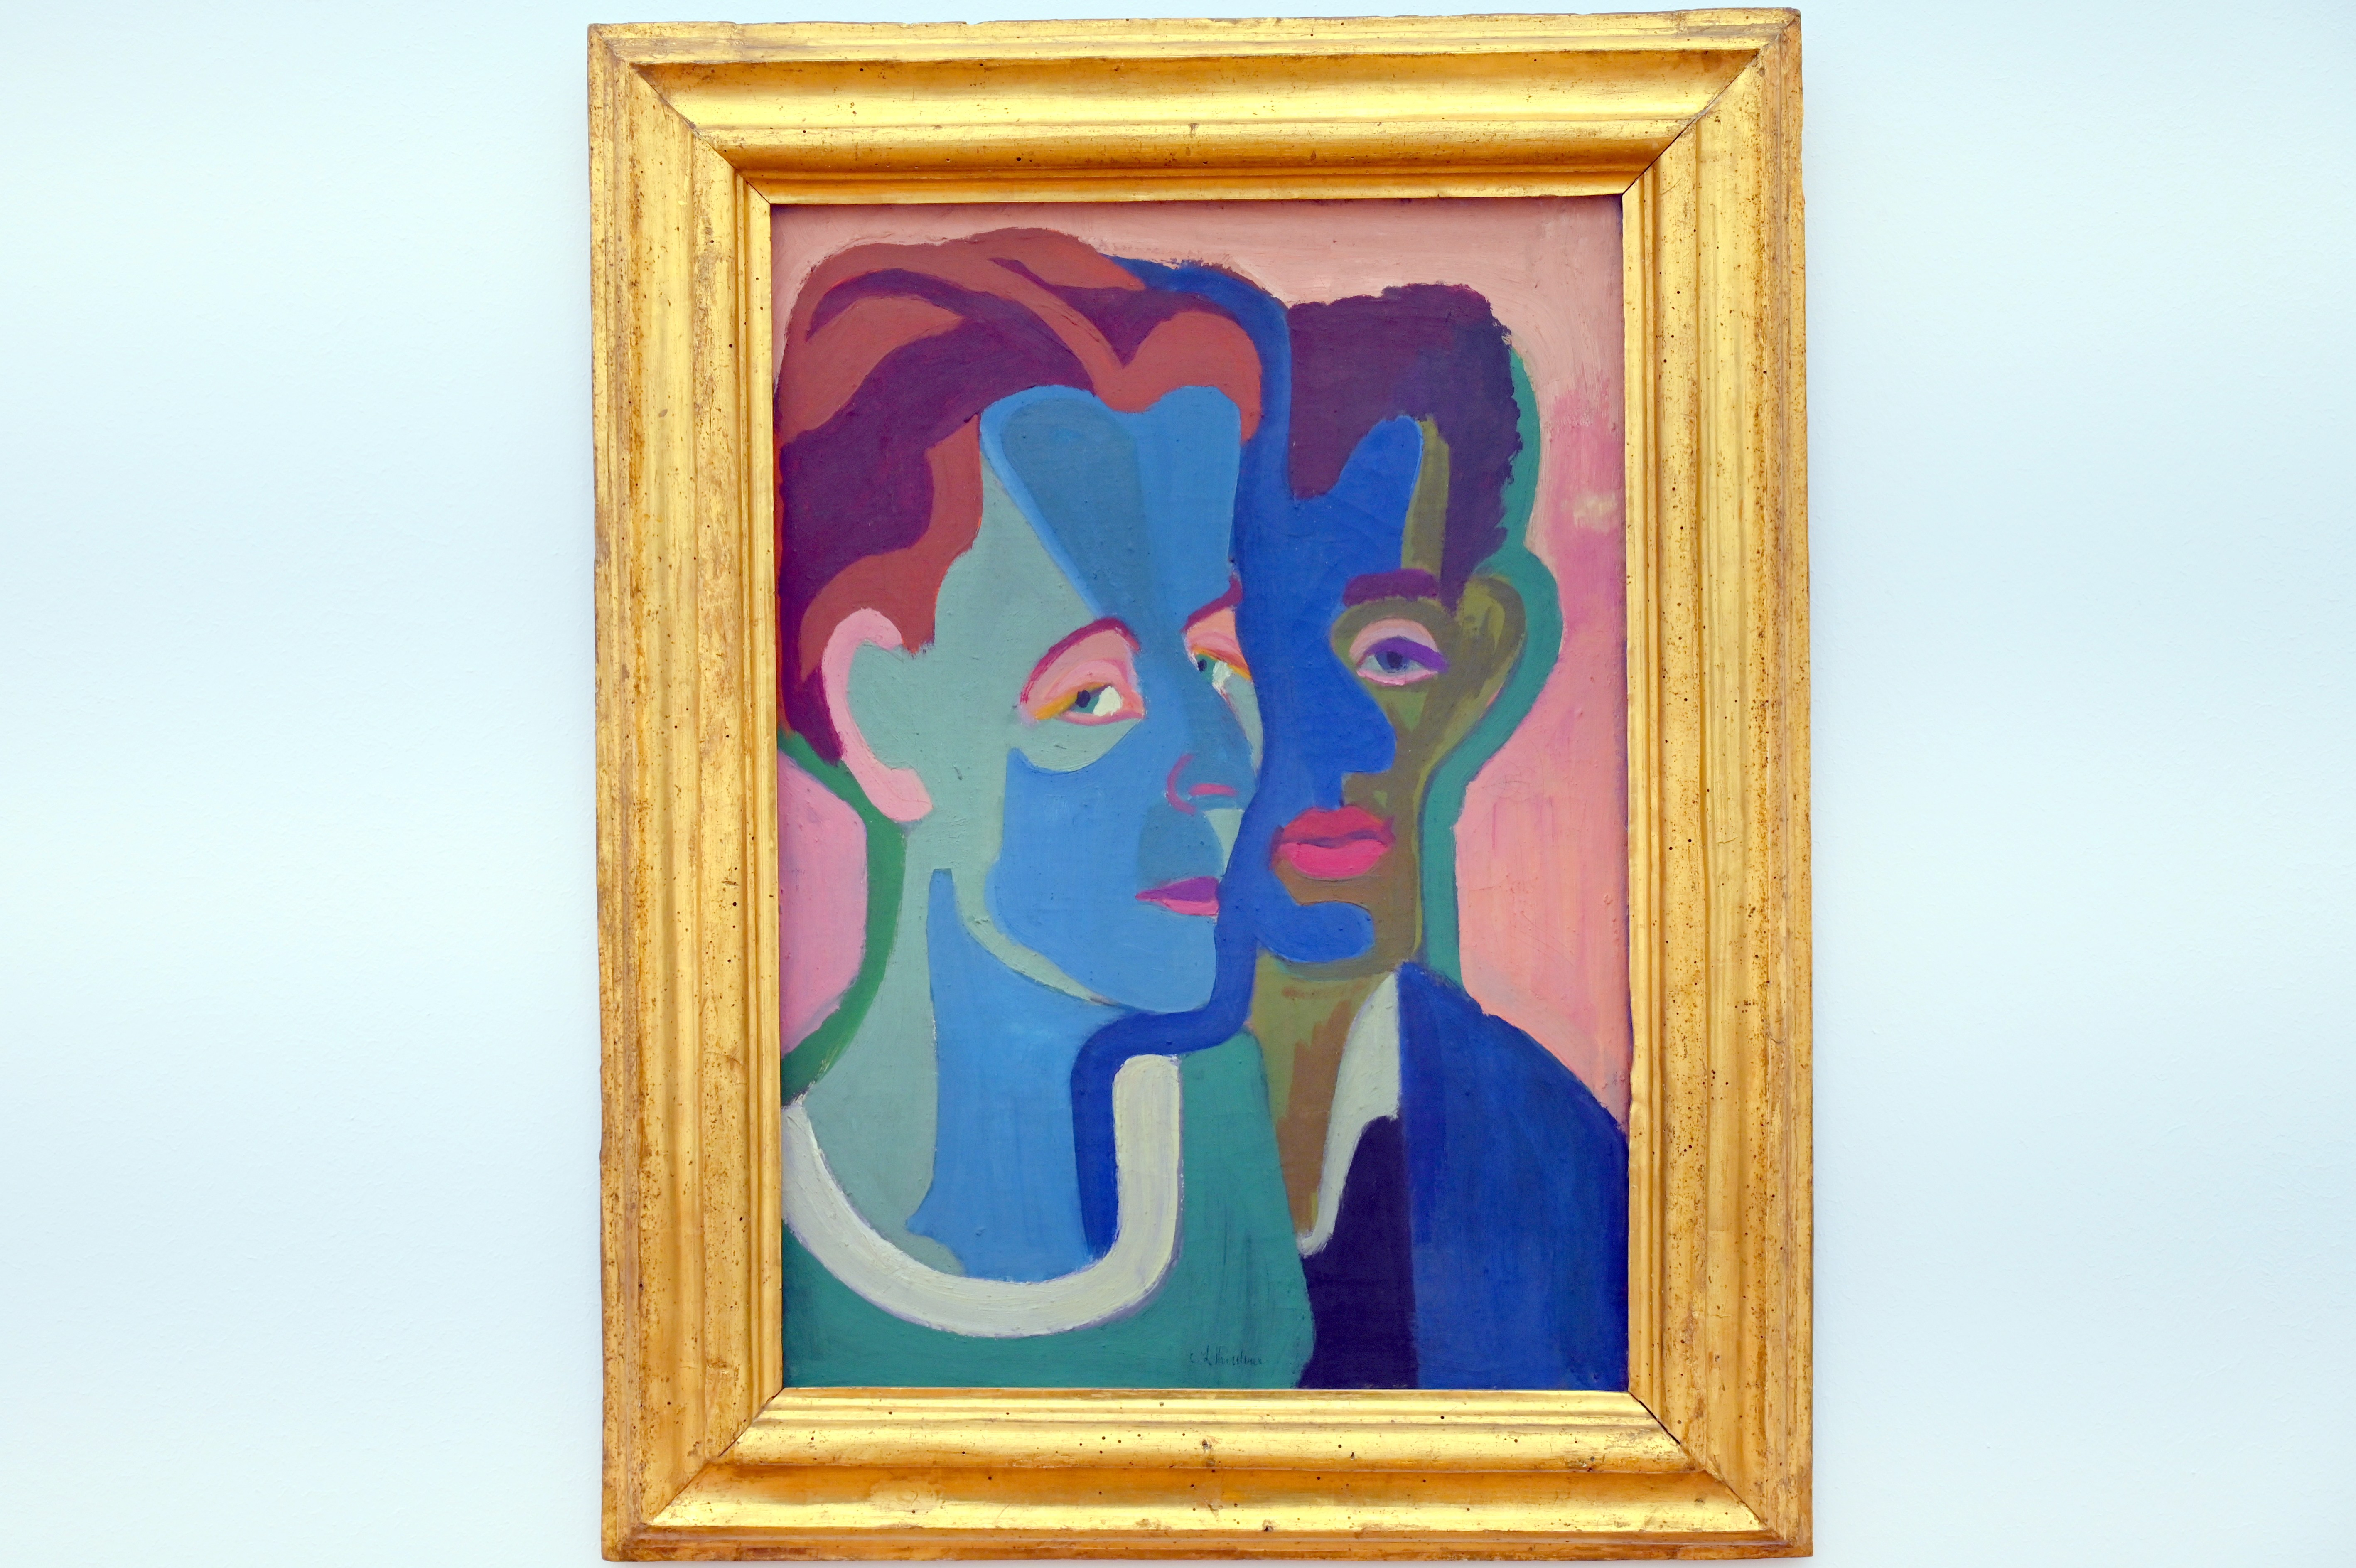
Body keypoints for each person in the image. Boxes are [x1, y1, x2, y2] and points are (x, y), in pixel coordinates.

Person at [771, 231, 1311, 1386]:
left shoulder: (1221, 1151)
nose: (1219, 759)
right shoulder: (739, 1229)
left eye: (1215, 664)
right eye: (1093, 695)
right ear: (879, 716)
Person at [1233, 284, 1629, 1390]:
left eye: (1392, 657)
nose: (1337, 747)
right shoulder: (1040, 1165)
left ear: (1484, 657)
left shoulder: (1563, 1176)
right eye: (1238, 660)